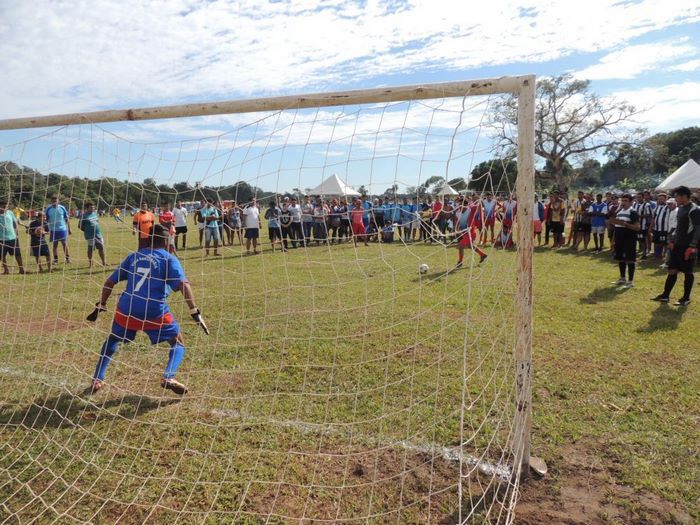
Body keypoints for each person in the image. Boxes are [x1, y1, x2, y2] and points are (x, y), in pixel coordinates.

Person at [86, 224, 208, 395]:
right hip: (154, 310)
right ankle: (168, 377)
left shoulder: (134, 256)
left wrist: (102, 304)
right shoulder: (168, 258)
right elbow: (183, 285)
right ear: (166, 241)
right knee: (178, 342)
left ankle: (97, 379)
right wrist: (194, 311)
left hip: (127, 308)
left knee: (112, 340)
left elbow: (109, 282)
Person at [652, 186, 700, 306]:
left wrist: (692, 246)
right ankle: (665, 295)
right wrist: (672, 240)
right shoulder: (680, 208)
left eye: (677, 196)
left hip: (687, 246)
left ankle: (686, 298)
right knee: (672, 270)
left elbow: (698, 228)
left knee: (688, 272)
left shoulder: (694, 210)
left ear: (684, 196)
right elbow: (678, 227)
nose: (675, 199)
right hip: (677, 245)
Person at [609, 194, 641, 288]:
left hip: (629, 239)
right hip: (619, 239)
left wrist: (626, 224)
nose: (623, 202)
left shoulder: (633, 212)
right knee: (620, 259)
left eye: (626, 200)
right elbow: (617, 226)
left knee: (630, 259)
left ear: (631, 202)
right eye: (622, 200)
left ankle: (630, 281)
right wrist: (613, 240)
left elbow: (637, 227)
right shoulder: (619, 211)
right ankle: (622, 278)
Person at [454, 198, 487, 268]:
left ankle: (460, 262)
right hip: (464, 233)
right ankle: (482, 255)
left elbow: (480, 206)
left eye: (461, 204)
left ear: (466, 205)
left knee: (460, 247)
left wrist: (479, 200)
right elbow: (458, 223)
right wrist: (457, 229)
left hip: (470, 233)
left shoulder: (470, 209)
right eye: (459, 204)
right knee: (469, 246)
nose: (459, 206)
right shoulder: (457, 213)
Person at [78, 203, 107, 268]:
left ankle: (104, 262)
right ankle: (91, 264)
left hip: (98, 234)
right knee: (90, 249)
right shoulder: (83, 216)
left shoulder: (95, 214)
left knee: (101, 248)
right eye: (91, 207)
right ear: (87, 208)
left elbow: (97, 222)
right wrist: (87, 230)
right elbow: (80, 226)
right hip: (90, 236)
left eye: (93, 207)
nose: (93, 209)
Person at [0, 200, 25, 275]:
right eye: (3, 207)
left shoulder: (10, 213)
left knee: (17, 254)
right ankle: (6, 270)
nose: (5, 208)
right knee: (2, 256)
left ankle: (21, 269)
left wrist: (16, 234)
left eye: (6, 206)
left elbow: (15, 223)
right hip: (1, 239)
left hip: (13, 238)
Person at [45, 195, 72, 264]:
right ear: (51, 201)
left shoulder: (62, 208)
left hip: (62, 229)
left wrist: (69, 228)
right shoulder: (48, 209)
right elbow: (46, 220)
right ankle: (55, 259)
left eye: (56, 201)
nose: (54, 202)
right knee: (55, 245)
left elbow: (66, 218)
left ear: (58, 201)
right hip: (53, 230)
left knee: (64, 244)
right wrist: (45, 228)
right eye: (53, 201)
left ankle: (67, 258)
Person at [651, 193, 670, 261]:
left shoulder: (669, 207)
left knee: (665, 243)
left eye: (662, 199)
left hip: (665, 229)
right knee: (657, 242)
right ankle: (658, 255)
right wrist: (651, 227)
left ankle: (665, 256)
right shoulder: (656, 207)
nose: (660, 200)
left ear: (666, 199)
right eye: (659, 199)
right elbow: (653, 218)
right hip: (657, 228)